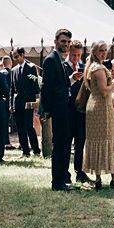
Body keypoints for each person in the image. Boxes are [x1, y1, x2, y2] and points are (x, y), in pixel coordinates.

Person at [82, 41, 114, 189]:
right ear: (95, 52)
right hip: (101, 107)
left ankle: (99, 177)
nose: (104, 53)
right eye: (101, 50)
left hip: (94, 105)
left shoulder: (91, 67)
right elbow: (104, 91)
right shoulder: (97, 68)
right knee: (108, 138)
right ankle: (112, 177)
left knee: (97, 140)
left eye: (105, 50)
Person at [42, 28, 76, 191]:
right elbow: (47, 87)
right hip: (58, 108)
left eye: (69, 42)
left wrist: (70, 79)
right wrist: (46, 110)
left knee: (64, 144)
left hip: (64, 107)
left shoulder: (60, 59)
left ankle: (63, 179)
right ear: (55, 42)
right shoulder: (50, 60)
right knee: (60, 144)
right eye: (63, 41)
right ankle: (57, 182)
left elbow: (59, 84)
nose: (67, 45)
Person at [66, 40, 92, 184]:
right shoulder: (63, 67)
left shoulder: (84, 67)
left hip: (81, 111)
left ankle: (80, 172)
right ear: (68, 52)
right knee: (67, 141)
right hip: (68, 110)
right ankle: (65, 173)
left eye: (78, 55)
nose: (76, 58)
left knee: (81, 142)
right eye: (73, 55)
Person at [10, 47, 41, 157]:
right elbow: (12, 89)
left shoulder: (31, 68)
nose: (15, 59)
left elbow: (35, 86)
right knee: (20, 128)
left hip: (28, 101)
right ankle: (25, 151)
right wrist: (11, 104)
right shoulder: (13, 70)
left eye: (17, 56)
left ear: (23, 55)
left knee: (29, 126)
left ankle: (36, 150)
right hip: (17, 102)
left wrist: (36, 102)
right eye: (13, 57)